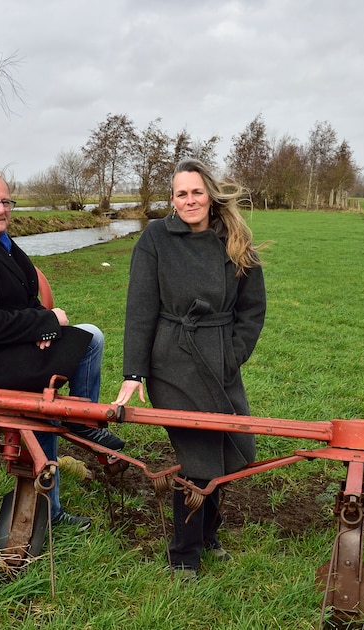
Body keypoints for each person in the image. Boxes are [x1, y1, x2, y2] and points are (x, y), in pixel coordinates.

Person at [0, 167, 124, 532]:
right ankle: (73, 441)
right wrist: (46, 321)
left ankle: (81, 420)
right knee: (48, 396)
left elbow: (22, 296)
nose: (1, 209)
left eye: (6, 201)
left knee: (90, 337)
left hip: (0, 349)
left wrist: (41, 327)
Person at [113, 158, 267, 578]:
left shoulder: (235, 239)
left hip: (220, 361)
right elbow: (140, 308)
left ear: (210, 195)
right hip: (172, 360)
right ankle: (184, 554)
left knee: (232, 451)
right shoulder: (156, 238)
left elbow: (252, 309)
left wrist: (232, 354)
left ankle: (207, 533)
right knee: (198, 457)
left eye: (196, 192)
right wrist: (134, 373)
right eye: (181, 194)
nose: (190, 200)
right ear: (172, 199)